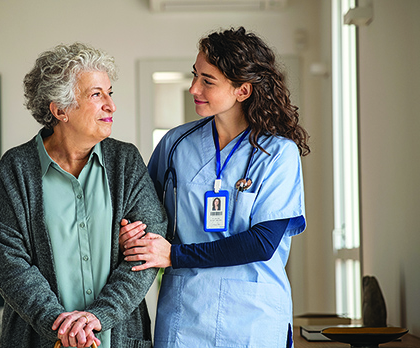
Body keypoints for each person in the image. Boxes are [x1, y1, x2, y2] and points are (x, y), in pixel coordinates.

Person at [119, 27, 309, 348]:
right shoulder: (175, 144)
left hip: (253, 316)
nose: (193, 87)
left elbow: (262, 243)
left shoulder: (278, 153)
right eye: (195, 75)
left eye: (208, 81)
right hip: (186, 312)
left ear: (242, 90)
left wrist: (175, 255)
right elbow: (145, 213)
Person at [0, 42, 167, 348]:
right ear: (59, 110)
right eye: (97, 94)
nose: (111, 105)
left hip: (118, 338)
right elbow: (9, 262)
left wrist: (99, 316)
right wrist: (60, 325)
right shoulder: (16, 169)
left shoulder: (125, 161)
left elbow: (148, 249)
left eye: (110, 93)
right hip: (38, 339)